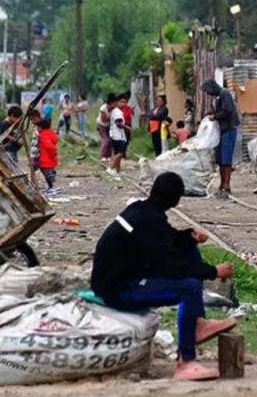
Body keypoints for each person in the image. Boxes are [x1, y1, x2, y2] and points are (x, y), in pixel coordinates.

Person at [91, 171, 237, 381]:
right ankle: (186, 362)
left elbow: (167, 240)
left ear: (152, 190)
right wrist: (213, 272)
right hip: (119, 289)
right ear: (176, 201)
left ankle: (198, 323)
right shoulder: (149, 220)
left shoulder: (142, 210)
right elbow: (172, 265)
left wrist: (189, 236)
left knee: (189, 250)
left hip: (125, 275)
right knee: (189, 287)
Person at [201, 80, 240, 194]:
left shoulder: (224, 94)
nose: (208, 93)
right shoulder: (217, 97)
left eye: (208, 91)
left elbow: (227, 111)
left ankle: (226, 184)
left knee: (226, 159)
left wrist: (215, 117)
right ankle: (222, 183)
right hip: (222, 130)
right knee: (221, 159)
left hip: (228, 129)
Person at [107, 95, 129, 181]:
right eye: (121, 102)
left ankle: (117, 172)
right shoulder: (118, 112)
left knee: (117, 154)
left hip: (114, 134)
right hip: (118, 135)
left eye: (125, 102)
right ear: (117, 103)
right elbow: (118, 123)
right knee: (120, 153)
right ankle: (111, 168)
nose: (123, 104)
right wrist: (127, 128)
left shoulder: (114, 111)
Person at [37, 117, 60, 195]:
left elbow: (50, 147)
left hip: (46, 160)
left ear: (41, 127)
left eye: (38, 127)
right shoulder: (50, 134)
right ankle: (51, 187)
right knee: (49, 174)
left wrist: (53, 155)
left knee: (49, 175)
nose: (37, 128)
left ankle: (54, 187)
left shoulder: (44, 135)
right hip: (49, 160)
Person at [97, 93, 117, 162]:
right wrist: (110, 118)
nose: (115, 105)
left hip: (109, 126)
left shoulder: (114, 109)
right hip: (101, 125)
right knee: (106, 141)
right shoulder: (103, 108)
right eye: (114, 103)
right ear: (110, 103)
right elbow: (103, 120)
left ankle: (108, 156)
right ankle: (103, 156)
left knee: (111, 141)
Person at [28, 109, 42, 187]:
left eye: (34, 119)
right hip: (34, 152)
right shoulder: (36, 127)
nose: (32, 121)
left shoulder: (41, 127)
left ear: (38, 117)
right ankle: (34, 185)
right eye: (31, 120)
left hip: (38, 152)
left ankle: (37, 185)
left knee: (36, 169)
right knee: (32, 168)